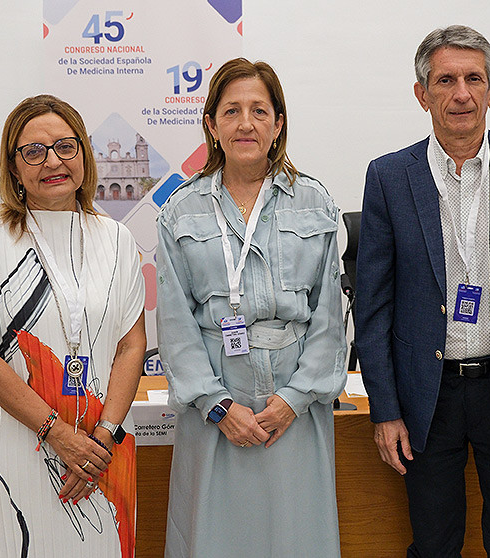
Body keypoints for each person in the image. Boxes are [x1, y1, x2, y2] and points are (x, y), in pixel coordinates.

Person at [355, 26, 490, 557]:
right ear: (421, 93)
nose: (461, 94)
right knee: (433, 542)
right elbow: (373, 306)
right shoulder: (388, 176)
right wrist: (384, 410)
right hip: (427, 393)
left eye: (474, 79)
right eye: (445, 79)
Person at [156, 58, 347, 557]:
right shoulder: (181, 210)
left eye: (260, 111)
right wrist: (217, 406)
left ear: (278, 124)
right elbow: (175, 325)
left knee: (297, 538)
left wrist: (295, 399)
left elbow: (330, 316)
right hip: (218, 403)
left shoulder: (314, 202)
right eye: (232, 110)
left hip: (294, 404)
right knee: (215, 538)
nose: (246, 123)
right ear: (212, 125)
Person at [0, 94, 147, 557]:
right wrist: (57, 435)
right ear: (14, 167)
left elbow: (131, 346)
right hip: (19, 447)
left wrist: (100, 440)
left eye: (65, 146)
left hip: (104, 449)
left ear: (84, 154)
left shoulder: (116, 238)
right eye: (34, 151)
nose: (53, 161)